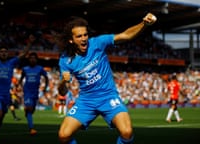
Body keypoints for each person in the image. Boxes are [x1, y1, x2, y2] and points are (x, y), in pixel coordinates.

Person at [56, 13, 157, 144]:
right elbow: (62, 92)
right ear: (71, 40)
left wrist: (144, 24)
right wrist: (63, 80)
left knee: (127, 132)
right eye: (79, 36)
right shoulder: (65, 60)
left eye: (85, 35)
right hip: (86, 101)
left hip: (108, 97)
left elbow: (124, 35)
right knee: (64, 136)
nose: (83, 39)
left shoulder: (98, 43)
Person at [0, 35, 35, 144]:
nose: (3, 53)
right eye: (1, 51)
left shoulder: (11, 62)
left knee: (1, 116)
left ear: (8, 54)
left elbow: (23, 54)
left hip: (6, 95)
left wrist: (29, 43)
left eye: (5, 52)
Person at [19, 52, 49, 136]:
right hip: (27, 91)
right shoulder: (25, 69)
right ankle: (31, 128)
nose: (32, 59)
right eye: (31, 58)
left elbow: (46, 78)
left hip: (35, 92)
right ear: (28, 60)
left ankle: (28, 114)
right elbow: (21, 78)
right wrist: (20, 86)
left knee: (31, 111)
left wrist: (45, 87)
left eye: (34, 58)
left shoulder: (40, 69)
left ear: (36, 60)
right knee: (29, 108)